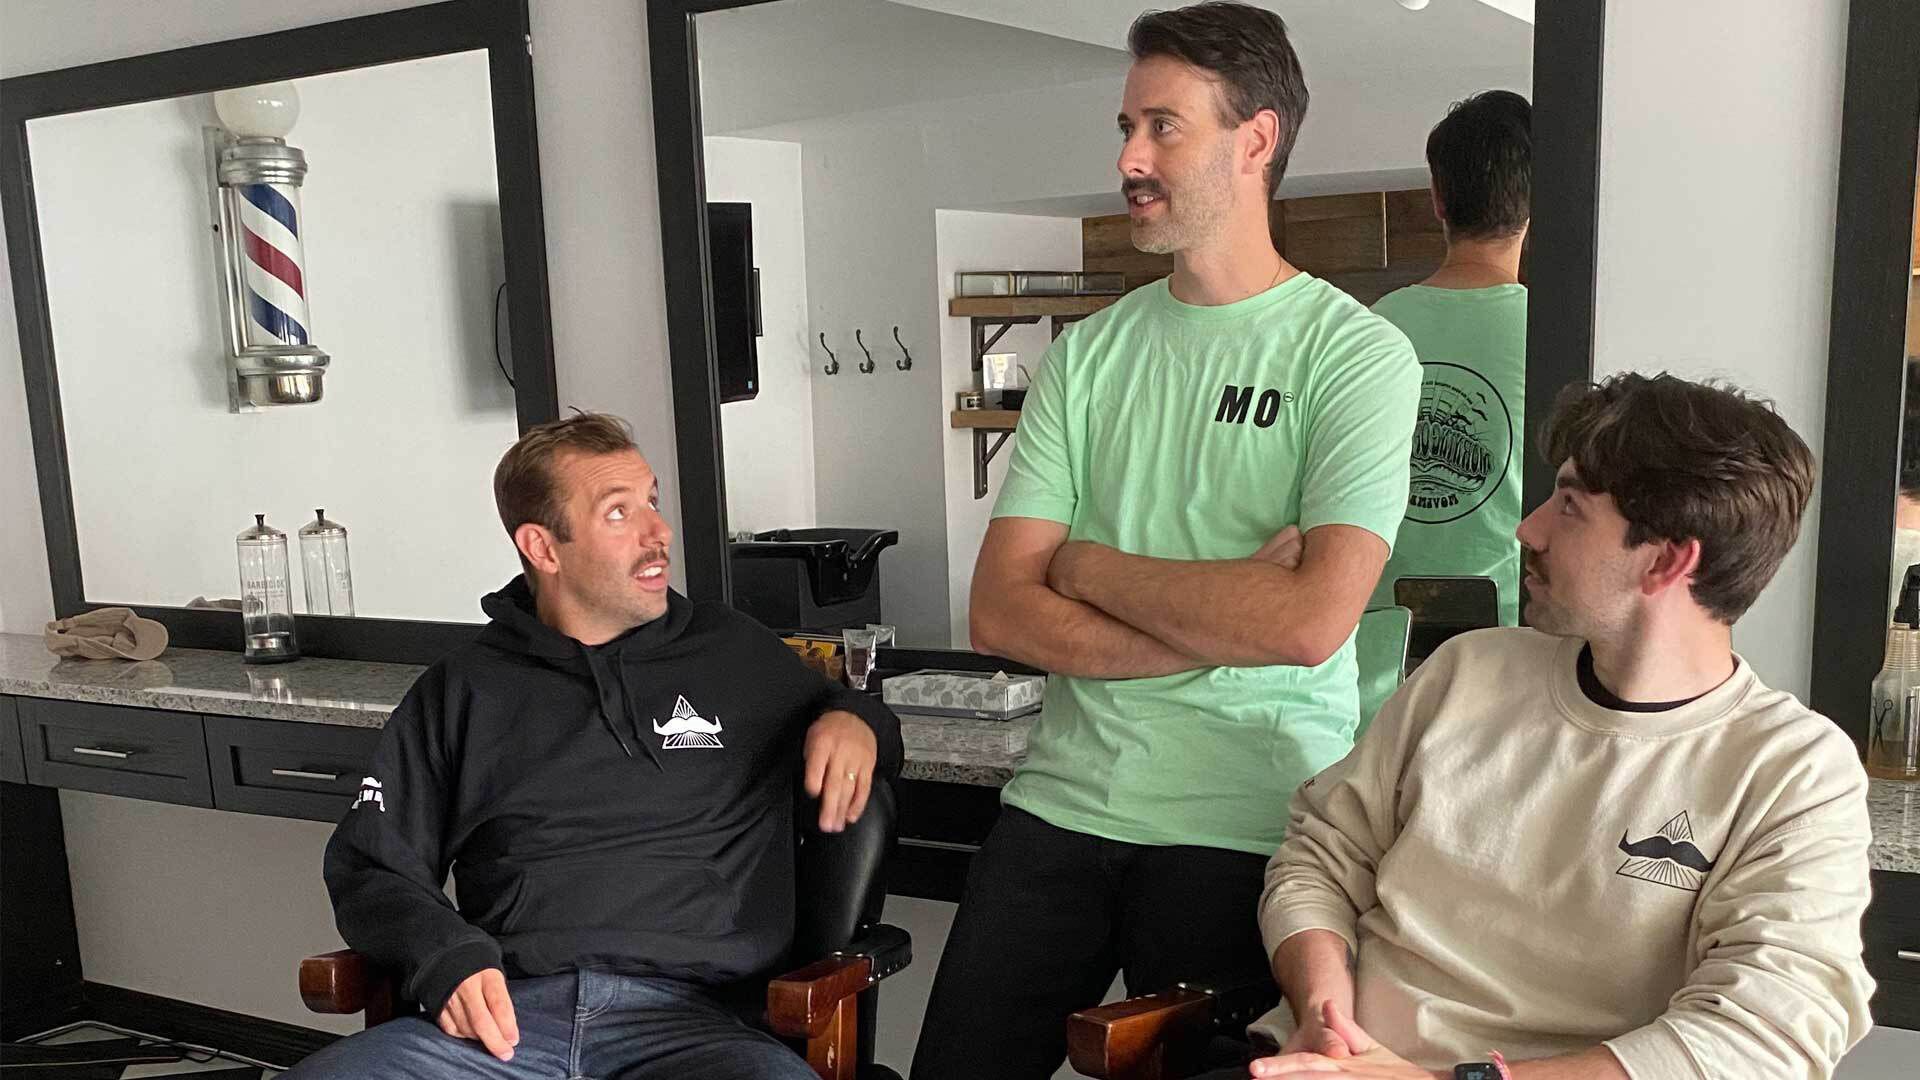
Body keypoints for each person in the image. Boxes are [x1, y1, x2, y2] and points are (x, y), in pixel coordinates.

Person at [910, 4, 1420, 1077]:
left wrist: (1086, 570)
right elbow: (1001, 610)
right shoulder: (1088, 356)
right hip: (1061, 800)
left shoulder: (1357, 358)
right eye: (1126, 127)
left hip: (1249, 820)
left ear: (1257, 139)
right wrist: (1226, 605)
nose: (1129, 159)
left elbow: (1309, 622)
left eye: (1162, 127)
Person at [1226, 374, 1873, 1079]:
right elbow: (1319, 857)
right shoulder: (1467, 672)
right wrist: (1328, 1018)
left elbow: (1763, 1037)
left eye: (1569, 507)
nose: (1527, 527)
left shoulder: (1792, 771)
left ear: (1665, 561)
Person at [284, 413, 903, 1080]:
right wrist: (445, 957)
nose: (658, 533)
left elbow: (870, 725)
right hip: (503, 1030)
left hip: (698, 1029)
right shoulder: (464, 690)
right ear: (544, 548)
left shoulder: (732, 654)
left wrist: (854, 717)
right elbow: (371, 865)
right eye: (618, 513)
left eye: (652, 503)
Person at [1370, 90, 1531, 628]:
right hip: (1511, 639)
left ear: (1438, 198)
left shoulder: (1369, 329)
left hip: (1377, 638)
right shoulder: (1560, 336)